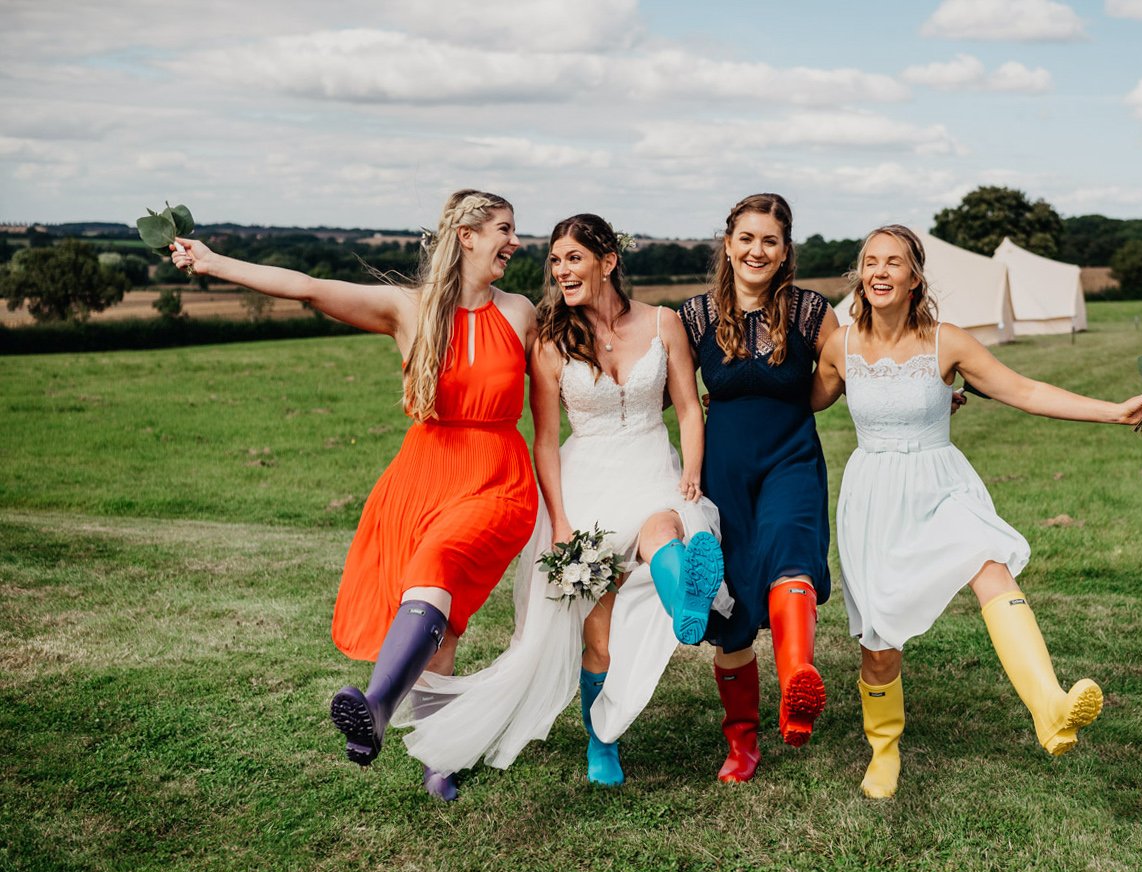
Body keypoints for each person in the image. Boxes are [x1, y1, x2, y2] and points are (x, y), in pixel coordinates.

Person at [170, 189, 539, 800]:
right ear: (467, 236)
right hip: (422, 476)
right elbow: (308, 287)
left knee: (437, 564)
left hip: (498, 478)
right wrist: (213, 262)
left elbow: (582, 363)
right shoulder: (408, 309)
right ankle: (438, 757)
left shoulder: (522, 311)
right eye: (505, 229)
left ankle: (375, 704)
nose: (516, 242)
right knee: (438, 619)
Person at [811, 224, 1142, 799]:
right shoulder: (840, 346)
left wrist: (1114, 412)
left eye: (893, 263)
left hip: (941, 482)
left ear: (914, 276)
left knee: (989, 563)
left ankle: (1050, 706)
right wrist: (726, 402)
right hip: (873, 494)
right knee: (879, 639)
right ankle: (883, 749)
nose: (879, 272)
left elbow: (1023, 390)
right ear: (859, 275)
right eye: (870, 262)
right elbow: (799, 404)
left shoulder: (947, 341)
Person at [396, 213, 729, 789]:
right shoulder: (551, 341)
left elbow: (689, 408)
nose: (560, 270)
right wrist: (560, 520)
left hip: (652, 465)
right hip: (586, 483)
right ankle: (602, 742)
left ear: (608, 261)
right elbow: (545, 441)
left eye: (573, 258)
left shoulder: (663, 324)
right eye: (554, 260)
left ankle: (685, 610)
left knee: (664, 533)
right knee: (597, 631)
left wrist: (693, 470)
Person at [676, 193, 839, 783]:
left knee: (791, 551)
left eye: (770, 240)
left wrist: (925, 391)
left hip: (791, 456)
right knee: (734, 606)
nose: (757, 250)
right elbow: (668, 393)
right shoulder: (693, 315)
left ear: (785, 250)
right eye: (747, 238)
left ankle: (798, 678)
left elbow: (856, 365)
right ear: (728, 243)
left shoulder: (811, 311)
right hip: (722, 471)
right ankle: (742, 743)